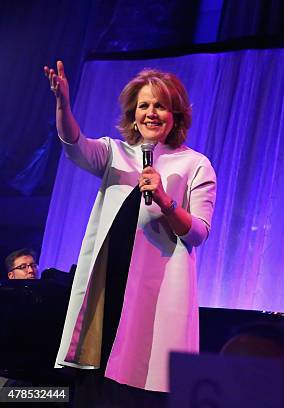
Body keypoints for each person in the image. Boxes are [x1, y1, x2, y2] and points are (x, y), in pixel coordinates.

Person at [43, 61, 216, 399]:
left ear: (176, 114)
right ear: (133, 114)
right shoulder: (114, 153)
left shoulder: (195, 164)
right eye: (144, 106)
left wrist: (165, 199)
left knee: (137, 382)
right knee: (96, 379)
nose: (152, 113)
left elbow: (197, 233)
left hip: (156, 289)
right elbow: (74, 145)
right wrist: (63, 103)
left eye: (161, 106)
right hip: (109, 282)